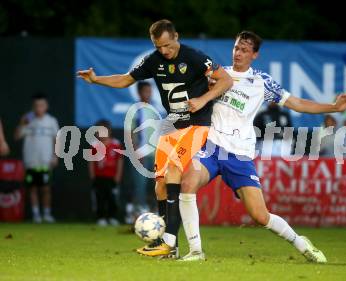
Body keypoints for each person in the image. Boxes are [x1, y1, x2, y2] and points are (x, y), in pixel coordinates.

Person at [178, 31, 346, 262]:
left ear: (254, 55)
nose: (238, 53)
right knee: (188, 182)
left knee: (260, 216)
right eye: (236, 48)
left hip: (240, 155)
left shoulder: (262, 82)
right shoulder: (218, 75)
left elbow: (297, 103)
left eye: (244, 50)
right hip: (212, 147)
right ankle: (195, 251)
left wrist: (333, 107)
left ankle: (302, 243)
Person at [77, 19, 232, 257]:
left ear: (176, 37)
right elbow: (126, 78)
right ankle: (170, 247)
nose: (164, 51)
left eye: (168, 46)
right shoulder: (154, 60)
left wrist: (203, 99)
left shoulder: (195, 57)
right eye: (159, 47)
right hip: (171, 126)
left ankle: (168, 241)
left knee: (173, 172)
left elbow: (226, 80)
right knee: (160, 186)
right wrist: (97, 79)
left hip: (196, 124)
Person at [14, 93, 59, 223]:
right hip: (31, 161)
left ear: (46, 106)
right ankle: (36, 214)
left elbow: (56, 139)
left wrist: (55, 156)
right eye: (36, 105)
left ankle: (46, 214)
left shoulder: (51, 121)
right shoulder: (27, 120)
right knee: (32, 188)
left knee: (46, 188)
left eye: (42, 105)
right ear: (33, 107)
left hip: (46, 161)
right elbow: (17, 137)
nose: (39, 108)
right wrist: (22, 124)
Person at [124, 81, 158, 224]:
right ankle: (136, 216)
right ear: (139, 93)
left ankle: (155, 214)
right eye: (145, 91)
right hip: (141, 155)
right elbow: (130, 132)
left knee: (156, 186)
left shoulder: (155, 109)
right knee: (140, 186)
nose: (148, 94)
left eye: (150, 91)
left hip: (156, 155)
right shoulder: (135, 110)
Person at [89, 120, 123, 226]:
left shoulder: (116, 144)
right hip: (99, 177)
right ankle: (101, 217)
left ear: (109, 131)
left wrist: (118, 175)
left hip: (112, 177)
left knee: (112, 198)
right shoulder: (94, 145)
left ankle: (112, 217)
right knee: (100, 197)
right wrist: (92, 175)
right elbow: (90, 161)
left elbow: (120, 161)